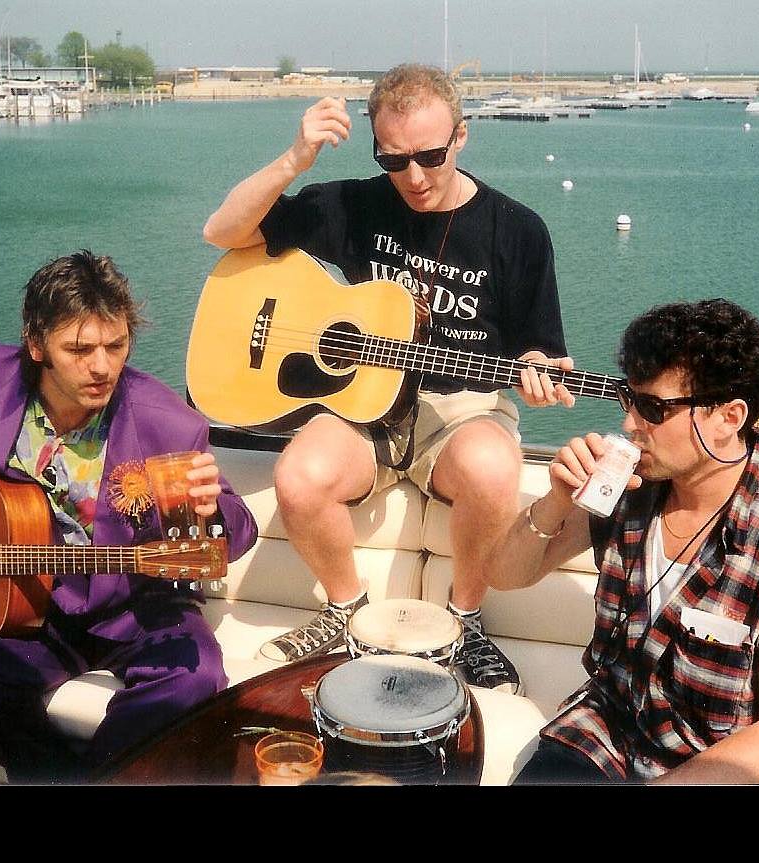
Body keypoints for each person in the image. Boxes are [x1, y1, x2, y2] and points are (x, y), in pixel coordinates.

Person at [202, 63, 573, 695]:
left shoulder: (517, 230)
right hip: (361, 401)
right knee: (299, 476)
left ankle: (465, 620)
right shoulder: (356, 204)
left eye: (430, 156)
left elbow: (539, 351)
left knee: (492, 467)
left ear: (461, 136)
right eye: (394, 160)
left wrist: (540, 372)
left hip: (459, 406)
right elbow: (222, 232)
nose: (415, 177)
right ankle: (346, 611)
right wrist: (296, 158)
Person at [0, 251, 258, 782]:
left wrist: (212, 512)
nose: (102, 367)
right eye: (79, 349)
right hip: (26, 605)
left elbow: (238, 529)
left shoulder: (167, 423)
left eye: (116, 345)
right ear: (36, 343)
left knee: (195, 681)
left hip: (136, 605)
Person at [487, 299, 759, 784]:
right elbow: (505, 575)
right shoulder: (627, 486)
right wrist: (556, 501)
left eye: (653, 409)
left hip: (729, 764)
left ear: (729, 417)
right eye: (629, 399)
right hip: (612, 732)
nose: (630, 424)